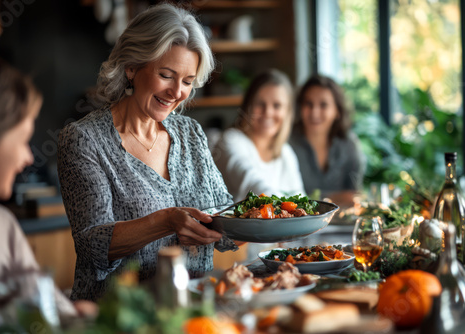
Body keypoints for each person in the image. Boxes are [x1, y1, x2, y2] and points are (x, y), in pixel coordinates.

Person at [57, 3, 236, 302]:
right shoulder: (84, 140)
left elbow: (225, 212)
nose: (177, 91)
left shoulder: (190, 133)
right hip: (118, 317)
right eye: (166, 75)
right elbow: (93, 246)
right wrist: (167, 222)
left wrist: (271, 219)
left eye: (188, 82)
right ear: (132, 67)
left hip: (191, 310)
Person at [0, 52, 95, 332]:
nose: (27, 158)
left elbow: (45, 303)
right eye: (23, 141)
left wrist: (72, 314)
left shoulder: (0, 226)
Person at [213, 69, 306, 202]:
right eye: (260, 104)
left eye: (277, 105)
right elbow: (253, 185)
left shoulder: (285, 152)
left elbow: (301, 198)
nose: (268, 112)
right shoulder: (230, 140)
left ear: (288, 112)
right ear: (247, 106)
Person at [290, 74, 365, 208]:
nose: (314, 112)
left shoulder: (349, 145)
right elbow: (283, 197)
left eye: (323, 105)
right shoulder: (287, 145)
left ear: (337, 111)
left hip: (342, 224)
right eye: (308, 104)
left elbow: (354, 196)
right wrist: (332, 197)